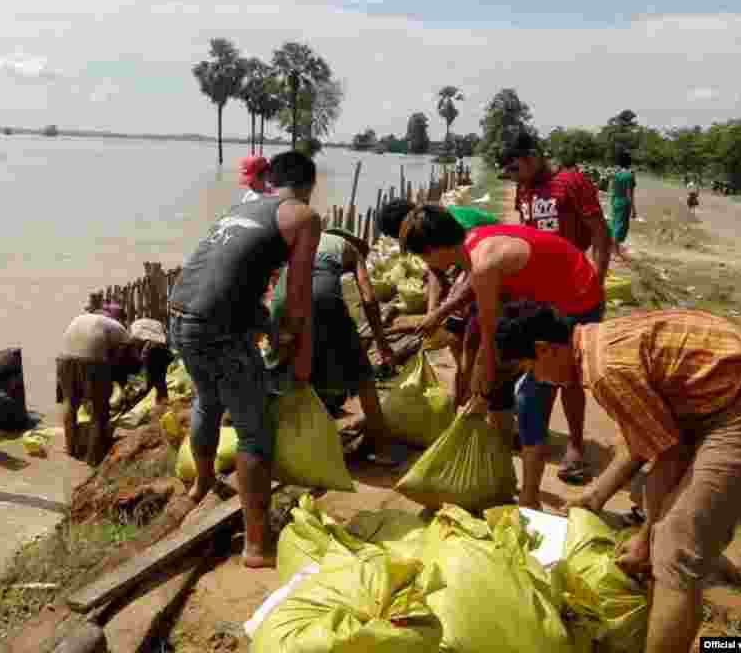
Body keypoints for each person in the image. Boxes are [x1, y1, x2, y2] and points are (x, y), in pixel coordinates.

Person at [495, 303, 741, 653]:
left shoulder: (605, 371)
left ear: (543, 349)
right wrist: (595, 496)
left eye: (531, 369)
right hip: (728, 393)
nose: (538, 380)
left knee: (673, 547)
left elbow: (668, 456)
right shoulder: (596, 340)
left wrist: (645, 537)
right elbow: (643, 437)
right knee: (659, 514)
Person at [168, 150, 321, 569]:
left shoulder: (242, 209)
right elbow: (297, 295)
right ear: (309, 186)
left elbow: (230, 275)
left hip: (179, 315)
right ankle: (256, 545)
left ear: (270, 181)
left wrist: (266, 327)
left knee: (207, 399)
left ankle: (201, 485)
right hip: (219, 329)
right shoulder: (304, 216)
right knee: (255, 433)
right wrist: (292, 341)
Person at [398, 207, 603, 508]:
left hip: (577, 299)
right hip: (545, 296)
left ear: (434, 249)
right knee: (500, 379)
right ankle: (503, 473)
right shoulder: (472, 245)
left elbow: (490, 333)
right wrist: (483, 378)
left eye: (423, 256)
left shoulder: (484, 262)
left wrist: (483, 380)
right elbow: (481, 310)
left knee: (533, 394)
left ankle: (530, 497)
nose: (426, 264)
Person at [502, 131, 612, 483]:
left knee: (571, 374)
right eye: (509, 171)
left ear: (533, 156)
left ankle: (576, 445)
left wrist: (596, 281)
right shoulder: (524, 189)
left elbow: (600, 235)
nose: (514, 176)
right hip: (541, 295)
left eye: (516, 168)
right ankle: (537, 437)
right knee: (540, 367)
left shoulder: (571, 182)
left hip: (577, 293)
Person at [270, 226, 402, 465]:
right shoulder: (351, 250)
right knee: (362, 376)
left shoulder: (303, 242)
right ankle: (382, 448)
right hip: (319, 296)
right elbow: (369, 297)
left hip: (281, 301)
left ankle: (295, 449)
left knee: (296, 373)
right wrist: (382, 344)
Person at [377, 198, 501, 413]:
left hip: (493, 268)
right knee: (460, 337)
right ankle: (467, 391)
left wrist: (439, 313)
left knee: (474, 341)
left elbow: (475, 280)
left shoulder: (452, 228)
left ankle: (477, 393)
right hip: (474, 271)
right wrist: (432, 313)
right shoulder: (430, 232)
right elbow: (435, 271)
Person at [59, 311, 171, 461]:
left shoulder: (95, 322)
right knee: (100, 410)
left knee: (70, 403)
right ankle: (94, 456)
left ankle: (71, 449)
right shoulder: (122, 331)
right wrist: (115, 384)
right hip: (92, 359)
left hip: (64, 357)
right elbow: (121, 363)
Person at [610, 150, 637, 260]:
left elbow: (612, 189)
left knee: (615, 225)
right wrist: (634, 209)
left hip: (615, 201)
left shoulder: (616, 174)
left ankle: (614, 250)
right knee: (620, 227)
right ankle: (615, 253)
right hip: (624, 203)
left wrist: (613, 201)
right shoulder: (629, 176)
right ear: (629, 162)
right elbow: (629, 194)